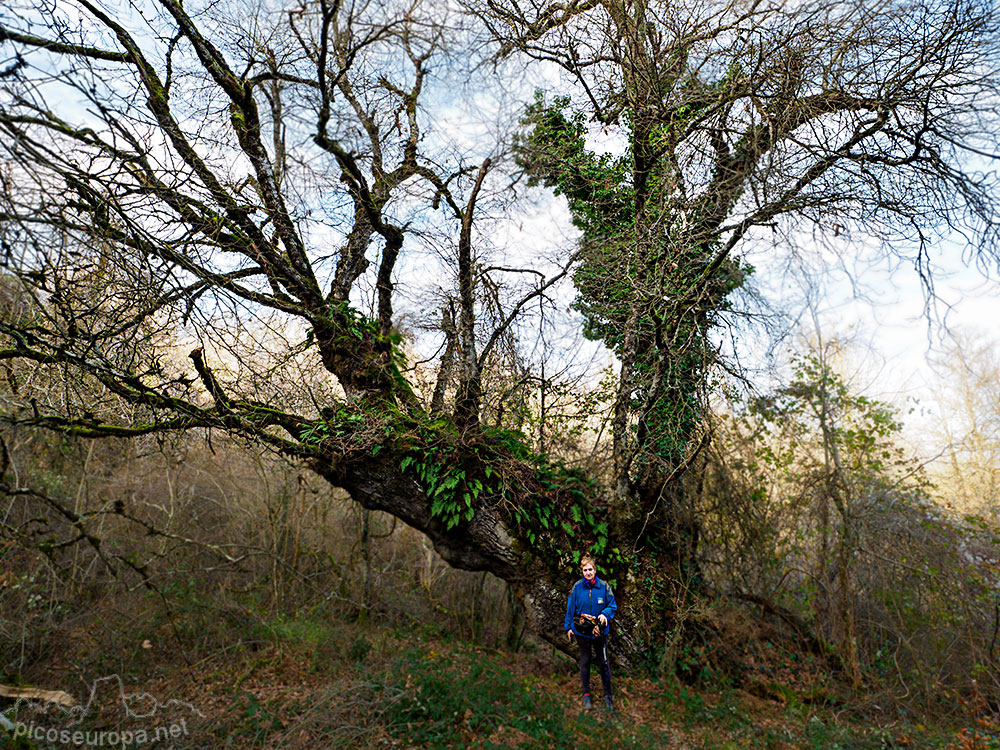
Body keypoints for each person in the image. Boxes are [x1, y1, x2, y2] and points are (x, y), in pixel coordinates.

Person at [564, 554, 617, 710]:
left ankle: (608, 696)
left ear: (595, 570)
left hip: (599, 633)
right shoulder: (577, 587)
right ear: (582, 571)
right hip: (581, 633)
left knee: (604, 664)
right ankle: (586, 694)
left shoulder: (605, 587)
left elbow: (612, 605)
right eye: (585, 570)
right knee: (585, 662)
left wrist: (605, 614)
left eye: (590, 569)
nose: (588, 573)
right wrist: (568, 627)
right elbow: (570, 609)